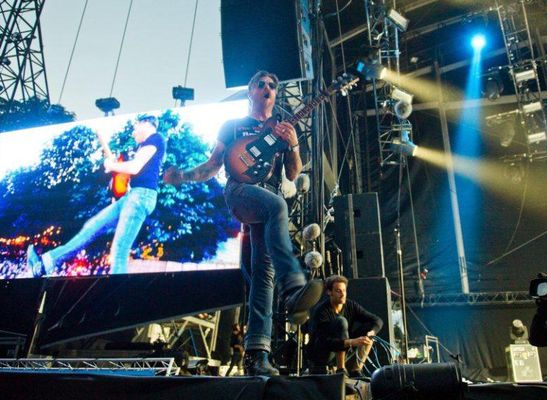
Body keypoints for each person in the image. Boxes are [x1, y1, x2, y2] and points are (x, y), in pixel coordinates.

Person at [163, 70, 323, 376]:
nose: (267, 88)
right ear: (250, 91)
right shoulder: (233, 127)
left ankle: (256, 354)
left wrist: (293, 145)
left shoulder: (285, 129)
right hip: (239, 192)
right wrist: (181, 176)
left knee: (264, 275)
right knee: (277, 207)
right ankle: (292, 291)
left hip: (269, 200)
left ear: (276, 95)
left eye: (273, 86)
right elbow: (212, 165)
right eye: (260, 84)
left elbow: (293, 174)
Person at [27, 114, 165, 276]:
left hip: (141, 197)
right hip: (132, 196)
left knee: (119, 250)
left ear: (146, 123)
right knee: (91, 227)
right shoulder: (143, 147)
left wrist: (112, 164)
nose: (133, 133)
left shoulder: (156, 139)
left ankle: (118, 297)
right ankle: (46, 263)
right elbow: (137, 174)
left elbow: (134, 167)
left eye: (135, 128)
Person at [307, 275, 383, 378]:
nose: (343, 294)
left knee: (369, 330)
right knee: (341, 322)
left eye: (344, 290)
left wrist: (371, 333)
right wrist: (351, 342)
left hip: (342, 348)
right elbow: (323, 341)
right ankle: (340, 369)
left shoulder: (350, 305)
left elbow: (377, 320)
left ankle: (356, 370)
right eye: (338, 291)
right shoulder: (321, 311)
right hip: (322, 353)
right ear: (329, 292)